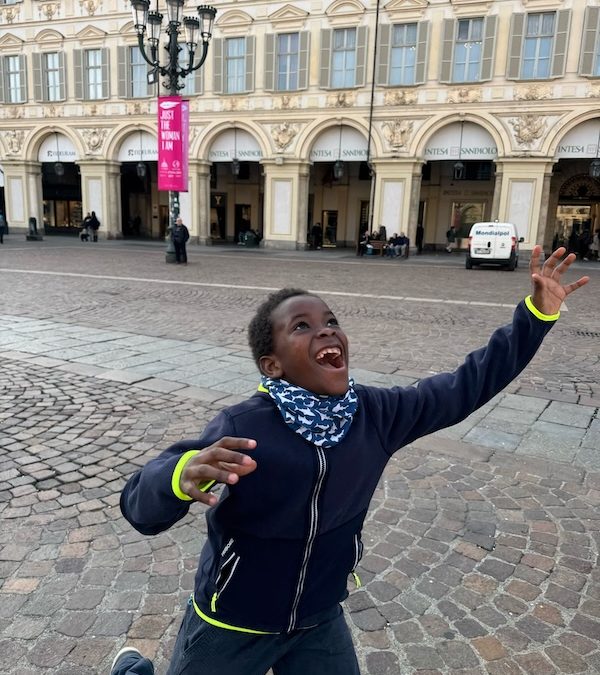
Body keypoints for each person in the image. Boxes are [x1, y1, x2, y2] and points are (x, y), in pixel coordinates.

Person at [111, 246, 588, 675]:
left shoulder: (376, 414)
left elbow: (466, 385)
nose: (325, 329)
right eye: (301, 326)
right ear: (273, 365)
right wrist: (177, 475)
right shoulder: (243, 426)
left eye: (331, 321)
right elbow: (139, 509)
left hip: (318, 616)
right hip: (234, 619)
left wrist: (536, 316)